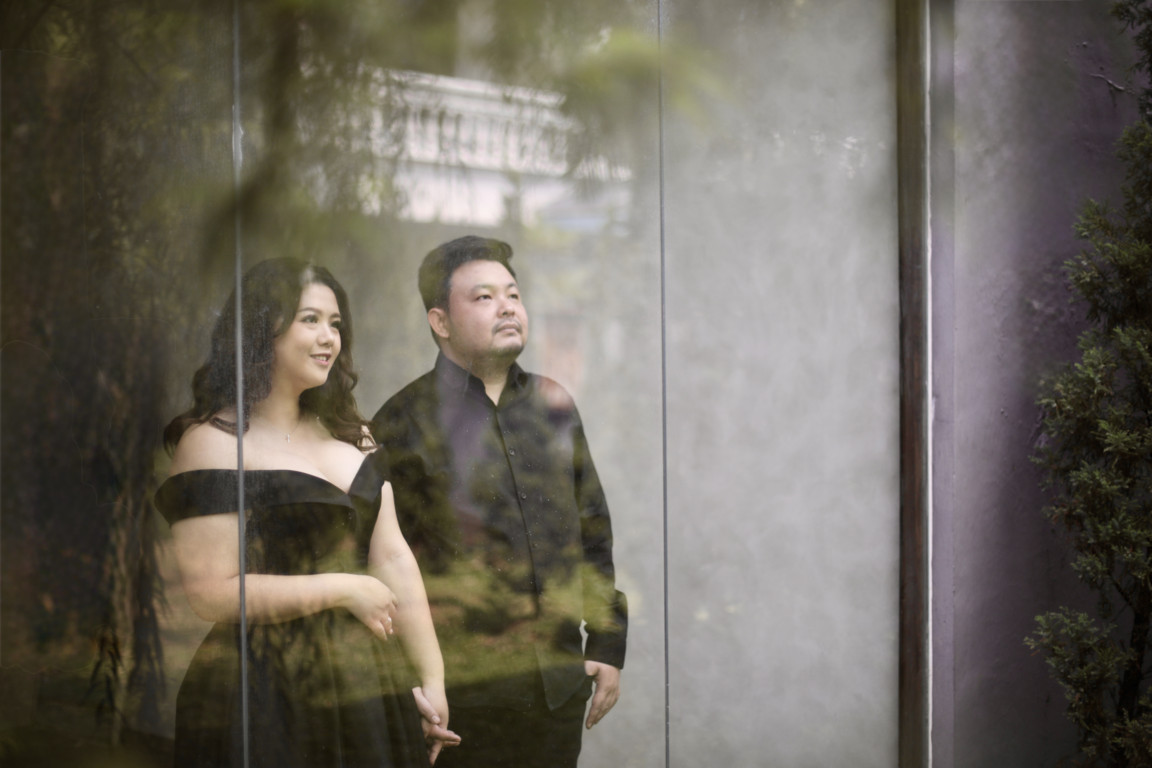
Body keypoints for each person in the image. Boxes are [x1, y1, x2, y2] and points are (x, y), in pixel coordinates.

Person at [155, 258, 459, 768]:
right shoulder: (211, 443)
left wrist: (433, 678)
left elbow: (393, 559)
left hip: (365, 681)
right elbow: (210, 593)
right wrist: (342, 589)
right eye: (310, 319)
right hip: (265, 691)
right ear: (261, 333)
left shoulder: (354, 437)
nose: (329, 338)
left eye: (335, 324)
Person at [370, 236, 627, 768]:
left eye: (513, 294)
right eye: (484, 297)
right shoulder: (401, 422)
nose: (508, 307)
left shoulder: (554, 405)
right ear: (440, 321)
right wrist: (411, 685)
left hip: (557, 691)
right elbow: (382, 567)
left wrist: (605, 642)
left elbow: (592, 528)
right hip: (460, 705)